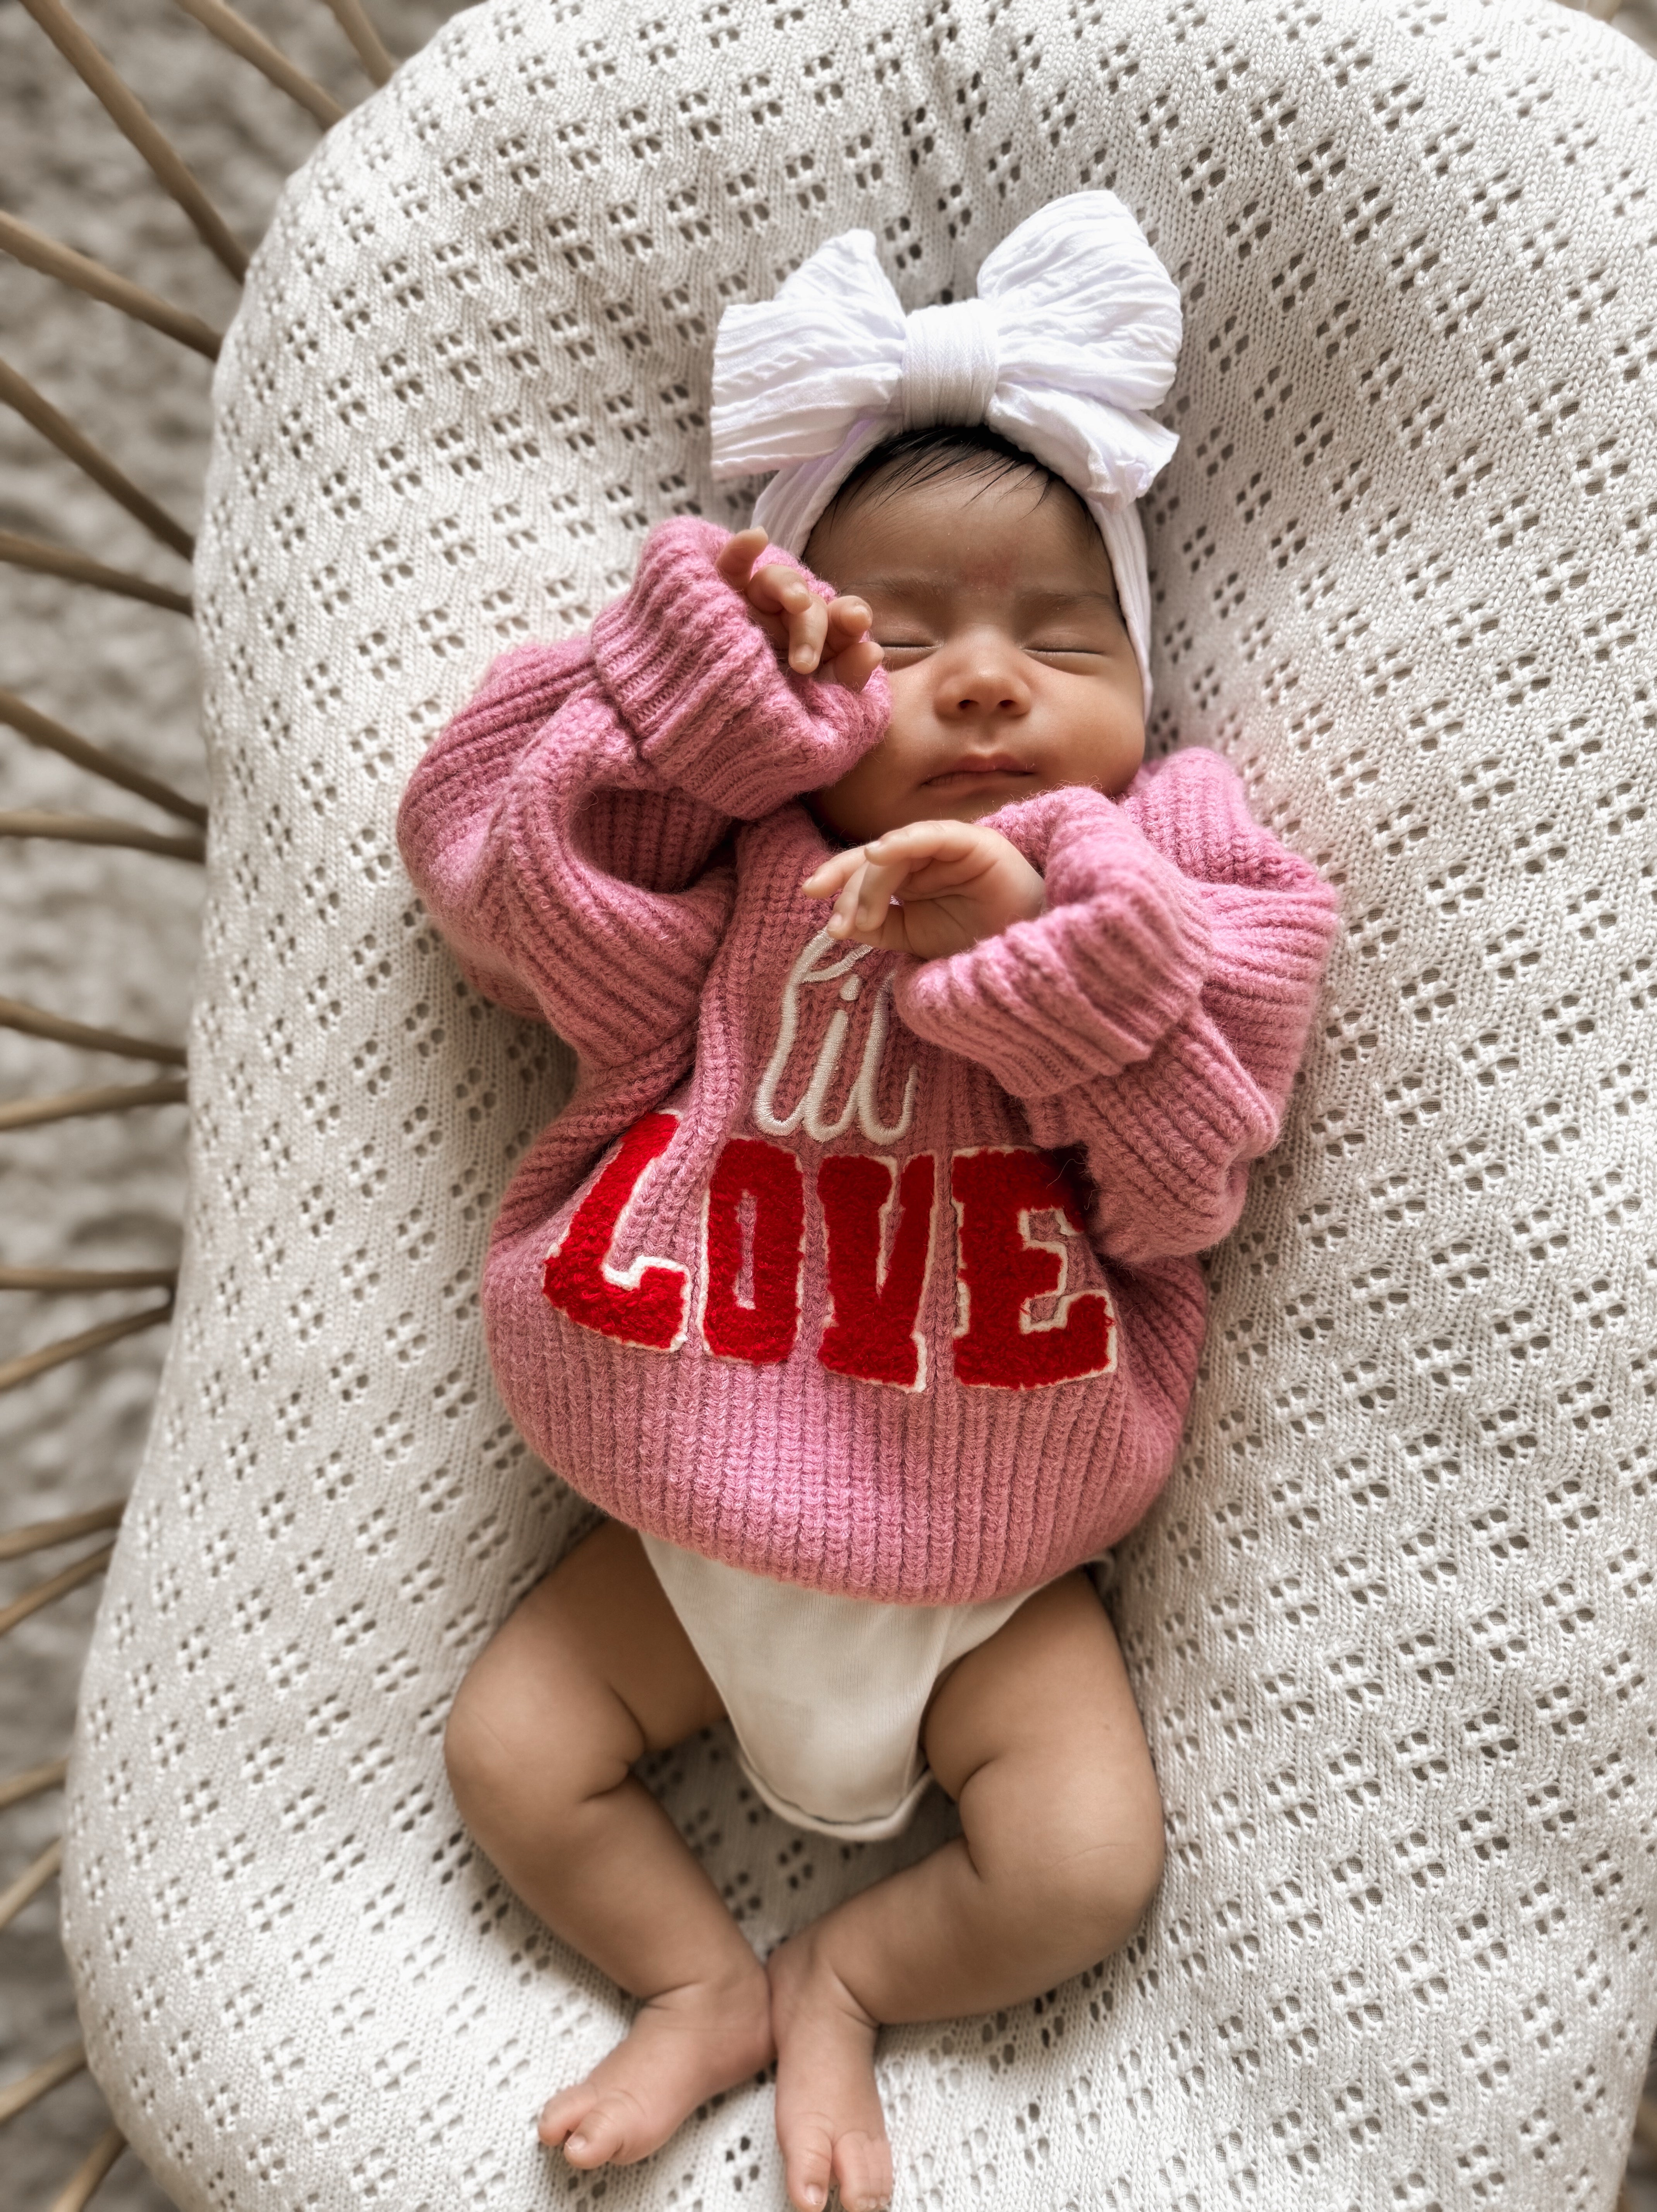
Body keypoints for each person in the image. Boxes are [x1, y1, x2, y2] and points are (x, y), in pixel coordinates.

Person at [395, 194, 1341, 2212]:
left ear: (1139, 686)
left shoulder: (1166, 881)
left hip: (999, 1571)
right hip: (673, 1524)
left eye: (1057, 639)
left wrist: (1052, 947)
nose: (985, 686)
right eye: (901, 642)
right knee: (508, 1759)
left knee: (1078, 1871)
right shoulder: (730, 881)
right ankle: (695, 1983)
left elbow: (1188, 1182)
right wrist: (714, 717)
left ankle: (841, 1977)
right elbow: (495, 889)